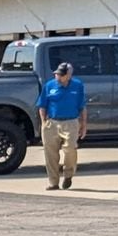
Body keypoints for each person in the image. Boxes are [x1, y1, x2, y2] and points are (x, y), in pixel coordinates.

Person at [37, 61, 88, 190]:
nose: (58, 77)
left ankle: (68, 174)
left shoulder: (77, 86)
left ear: (69, 75)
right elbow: (42, 105)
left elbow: (82, 106)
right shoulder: (49, 85)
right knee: (50, 154)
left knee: (70, 148)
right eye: (56, 74)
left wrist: (83, 124)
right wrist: (44, 122)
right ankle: (53, 182)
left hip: (71, 122)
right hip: (52, 122)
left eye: (61, 75)